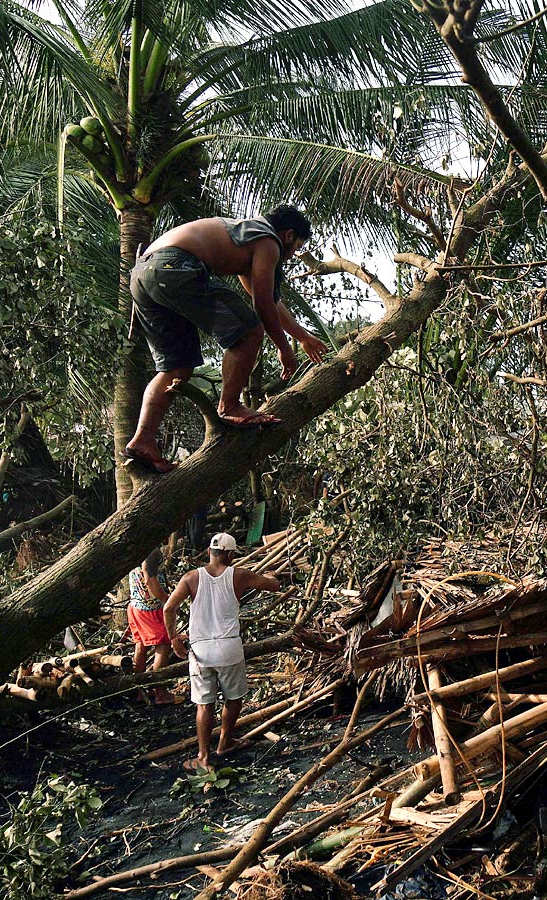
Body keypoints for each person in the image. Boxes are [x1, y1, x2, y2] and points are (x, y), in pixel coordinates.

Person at [124, 206, 329, 474]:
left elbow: (268, 298)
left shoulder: (245, 237)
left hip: (144, 273)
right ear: (288, 235)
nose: (290, 256)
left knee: (176, 368)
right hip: (174, 265)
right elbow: (263, 306)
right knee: (248, 331)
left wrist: (302, 337)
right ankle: (230, 406)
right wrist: (283, 349)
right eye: (295, 247)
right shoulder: (268, 242)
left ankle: (143, 441)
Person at [164, 532, 280, 771]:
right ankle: (225, 742)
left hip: (200, 651)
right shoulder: (240, 575)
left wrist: (174, 638)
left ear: (209, 552)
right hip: (228, 649)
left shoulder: (190, 578)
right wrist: (272, 575)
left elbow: (168, 608)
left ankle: (204, 757)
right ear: (230, 555)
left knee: (204, 705)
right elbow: (273, 586)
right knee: (233, 698)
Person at [127, 547, 176, 705]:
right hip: (150, 609)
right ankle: (160, 693)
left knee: (140, 647)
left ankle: (140, 691)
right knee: (163, 646)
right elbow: (150, 580)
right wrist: (168, 601)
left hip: (135, 606)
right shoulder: (151, 552)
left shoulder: (136, 547)